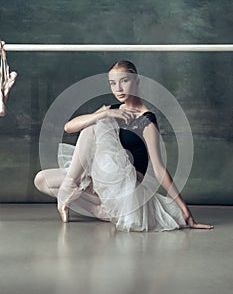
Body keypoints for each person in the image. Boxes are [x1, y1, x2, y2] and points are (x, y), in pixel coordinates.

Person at [34, 60, 214, 232]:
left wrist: (185, 211)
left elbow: (159, 169)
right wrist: (104, 114)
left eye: (124, 81)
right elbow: (68, 127)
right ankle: (101, 210)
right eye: (112, 83)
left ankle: (69, 187)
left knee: (91, 129)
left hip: (127, 187)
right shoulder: (112, 109)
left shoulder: (146, 120)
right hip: (101, 178)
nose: (118, 89)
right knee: (42, 180)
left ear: (136, 81)